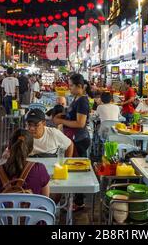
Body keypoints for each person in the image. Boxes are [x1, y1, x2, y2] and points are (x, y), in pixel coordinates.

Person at [53, 73, 90, 211]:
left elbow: (80, 123)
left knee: (78, 171)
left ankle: (79, 202)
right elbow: (73, 116)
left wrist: (61, 121)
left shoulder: (82, 101)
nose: (69, 87)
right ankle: (75, 199)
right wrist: (63, 115)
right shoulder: (76, 98)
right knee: (73, 168)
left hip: (79, 139)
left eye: (71, 85)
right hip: (73, 138)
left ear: (79, 86)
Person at [0, 128, 50, 197]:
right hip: (33, 208)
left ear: (8, 147)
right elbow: (46, 199)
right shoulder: (39, 170)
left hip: (2, 208)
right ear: (31, 150)